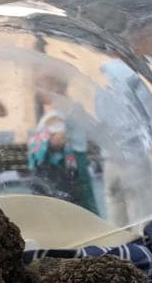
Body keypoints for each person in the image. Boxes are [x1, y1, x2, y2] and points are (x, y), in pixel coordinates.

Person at [95, 17, 152, 227]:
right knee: (142, 226)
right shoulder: (135, 76)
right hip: (137, 164)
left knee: (116, 227)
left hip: (111, 162)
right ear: (144, 39)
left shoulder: (104, 74)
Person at [31, 73, 98, 214]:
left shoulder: (59, 110)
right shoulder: (72, 106)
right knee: (85, 202)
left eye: (40, 87)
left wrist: (41, 142)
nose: (38, 92)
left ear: (53, 88)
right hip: (77, 160)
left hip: (68, 164)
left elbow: (58, 139)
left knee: (75, 205)